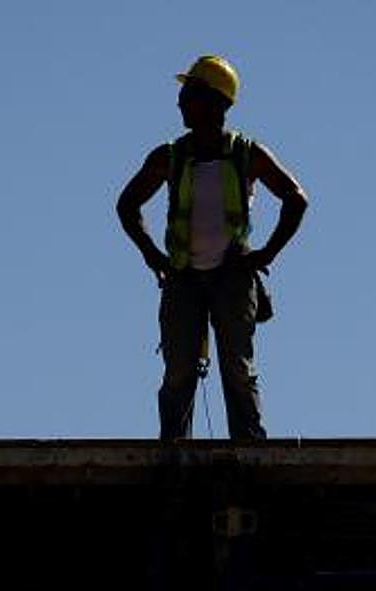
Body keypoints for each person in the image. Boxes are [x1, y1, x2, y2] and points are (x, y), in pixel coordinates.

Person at [117, 55, 309, 440]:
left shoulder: (245, 154)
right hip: (183, 278)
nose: (180, 103)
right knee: (178, 371)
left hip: (233, 278)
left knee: (237, 369)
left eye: (190, 94)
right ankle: (174, 450)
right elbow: (127, 205)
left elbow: (296, 198)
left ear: (216, 102)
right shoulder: (170, 156)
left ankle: (249, 449)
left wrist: (266, 253)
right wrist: (152, 255)